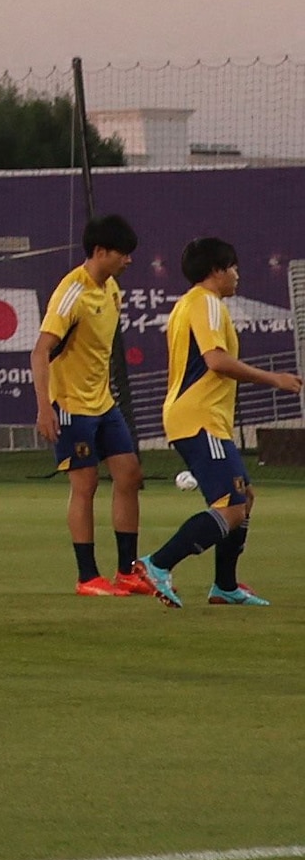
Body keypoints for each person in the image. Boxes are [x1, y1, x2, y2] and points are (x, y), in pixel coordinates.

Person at [140, 234, 296, 608]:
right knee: (231, 505)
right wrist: (274, 379)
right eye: (233, 267)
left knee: (245, 497)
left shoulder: (189, 304)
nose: (237, 275)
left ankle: (224, 587)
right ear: (216, 271)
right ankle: (157, 563)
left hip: (200, 418)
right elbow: (216, 361)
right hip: (200, 419)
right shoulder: (206, 303)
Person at [41, 215, 145, 598]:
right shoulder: (72, 292)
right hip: (71, 404)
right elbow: (40, 351)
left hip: (102, 403)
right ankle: (87, 577)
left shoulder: (112, 289)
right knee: (84, 485)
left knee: (129, 474)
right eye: (124, 254)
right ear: (100, 252)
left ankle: (128, 571)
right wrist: (44, 408)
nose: (129, 261)